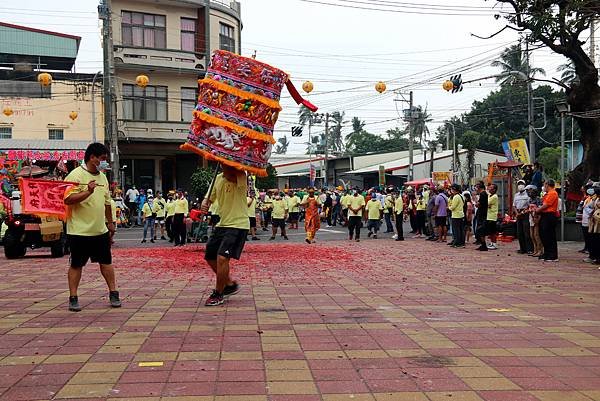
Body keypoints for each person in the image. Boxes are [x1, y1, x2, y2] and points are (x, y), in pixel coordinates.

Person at [64, 142, 121, 312]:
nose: (105, 163)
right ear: (92, 158)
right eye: (103, 159)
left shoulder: (102, 177)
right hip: (79, 231)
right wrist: (87, 192)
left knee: (106, 262)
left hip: (100, 230)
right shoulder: (75, 176)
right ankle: (73, 297)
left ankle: (114, 292)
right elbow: (67, 199)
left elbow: (106, 203)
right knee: (76, 264)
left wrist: (110, 223)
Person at [201, 165, 248, 306]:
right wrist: (205, 203)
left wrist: (225, 162)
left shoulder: (241, 175)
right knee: (210, 256)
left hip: (238, 224)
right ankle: (227, 283)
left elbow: (230, 176)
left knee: (222, 258)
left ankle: (218, 293)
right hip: (222, 223)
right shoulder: (217, 178)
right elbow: (209, 198)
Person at [536, 179, 559, 262]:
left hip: (549, 216)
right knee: (543, 234)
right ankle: (547, 253)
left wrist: (537, 210)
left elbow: (546, 205)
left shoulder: (553, 193)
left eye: (544, 184)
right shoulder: (547, 194)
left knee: (549, 235)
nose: (544, 186)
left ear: (547, 185)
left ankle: (552, 255)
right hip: (545, 215)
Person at [514, 180, 533, 254]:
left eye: (521, 184)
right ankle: (522, 248)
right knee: (519, 232)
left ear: (524, 185)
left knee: (526, 232)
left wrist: (522, 212)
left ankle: (529, 249)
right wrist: (517, 213)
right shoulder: (516, 195)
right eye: (519, 184)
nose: (520, 185)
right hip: (518, 214)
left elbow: (529, 205)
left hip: (525, 214)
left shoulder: (527, 195)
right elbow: (514, 205)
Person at [527, 185, 544, 258]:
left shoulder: (538, 199)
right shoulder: (529, 200)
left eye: (531, 191)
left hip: (536, 217)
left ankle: (540, 250)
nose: (529, 193)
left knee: (536, 235)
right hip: (531, 217)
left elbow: (540, 209)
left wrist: (537, 218)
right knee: (532, 235)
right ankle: (535, 250)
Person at [474, 181, 489, 251]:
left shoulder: (483, 194)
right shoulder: (483, 194)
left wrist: (476, 201)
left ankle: (483, 245)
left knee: (481, 229)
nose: (476, 189)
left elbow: (478, 204)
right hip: (482, 213)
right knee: (480, 229)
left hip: (482, 214)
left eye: (477, 187)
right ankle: (483, 244)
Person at [486, 183, 499, 250]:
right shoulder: (490, 195)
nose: (489, 189)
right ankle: (492, 242)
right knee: (490, 231)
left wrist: (487, 205)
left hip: (492, 216)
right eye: (489, 187)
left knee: (493, 231)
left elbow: (486, 203)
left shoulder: (494, 197)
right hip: (489, 215)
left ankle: (494, 244)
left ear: (494, 189)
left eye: (491, 188)